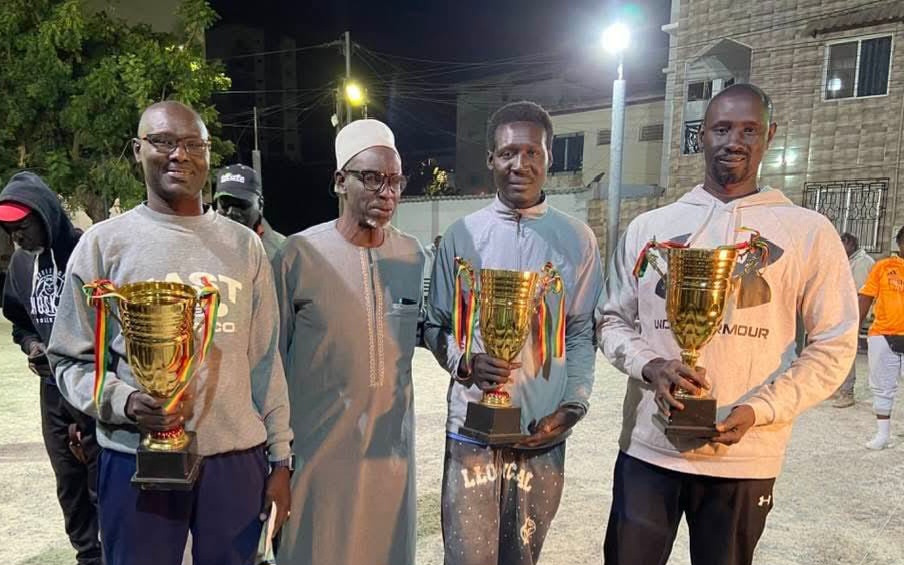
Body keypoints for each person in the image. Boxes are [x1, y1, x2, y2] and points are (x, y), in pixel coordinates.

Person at [597, 83, 858, 565]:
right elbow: (611, 320)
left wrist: (761, 409)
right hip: (650, 449)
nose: (733, 140)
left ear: (769, 136)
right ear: (701, 137)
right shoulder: (651, 227)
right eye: (721, 128)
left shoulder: (806, 232)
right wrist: (651, 365)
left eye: (748, 129)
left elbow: (834, 344)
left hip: (745, 456)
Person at [47, 101, 294, 565]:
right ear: (138, 151)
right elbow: (70, 359)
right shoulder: (103, 245)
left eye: (192, 144)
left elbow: (265, 361)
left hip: (235, 456)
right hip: (136, 455)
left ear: (207, 155)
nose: (178, 154)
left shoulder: (245, 247)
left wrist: (280, 459)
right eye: (162, 142)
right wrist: (124, 402)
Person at [424, 101, 603, 565]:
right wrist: (464, 362)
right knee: (467, 559)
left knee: (522, 557)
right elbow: (435, 326)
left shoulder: (578, 239)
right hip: (471, 430)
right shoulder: (461, 235)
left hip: (541, 432)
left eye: (531, 152)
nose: (518, 164)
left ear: (547, 157)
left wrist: (573, 404)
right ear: (491, 159)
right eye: (507, 153)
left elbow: (582, 331)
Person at [273, 119, 424, 565]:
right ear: (340, 181)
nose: (387, 191)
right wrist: (276, 456)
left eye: (395, 180)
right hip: (318, 454)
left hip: (389, 453)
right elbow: (272, 360)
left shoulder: (413, 254)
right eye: (372, 178)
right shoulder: (299, 254)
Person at [0, 172, 102, 565]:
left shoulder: (86, 250)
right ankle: (86, 557)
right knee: (69, 486)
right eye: (9, 232)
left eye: (22, 227)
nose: (18, 240)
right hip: (53, 391)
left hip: (93, 386)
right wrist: (32, 344)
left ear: (46, 215)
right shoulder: (22, 265)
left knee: (101, 483)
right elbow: (19, 320)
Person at [857, 226, 904, 449]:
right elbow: (866, 296)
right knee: (882, 387)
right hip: (882, 335)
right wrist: (854, 327)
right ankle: (882, 435)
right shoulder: (884, 267)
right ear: (899, 243)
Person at [834, 232, 875, 408]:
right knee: (835, 351)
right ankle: (838, 387)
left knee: (847, 351)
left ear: (849, 243)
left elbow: (860, 296)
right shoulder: (849, 260)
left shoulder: (863, 263)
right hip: (842, 314)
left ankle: (847, 392)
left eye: (840, 245)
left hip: (854, 315)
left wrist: (855, 322)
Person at [214, 163, 286, 259]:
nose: (232, 212)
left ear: (260, 205)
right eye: (225, 204)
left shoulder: (284, 251)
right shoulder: (202, 244)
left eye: (241, 204)